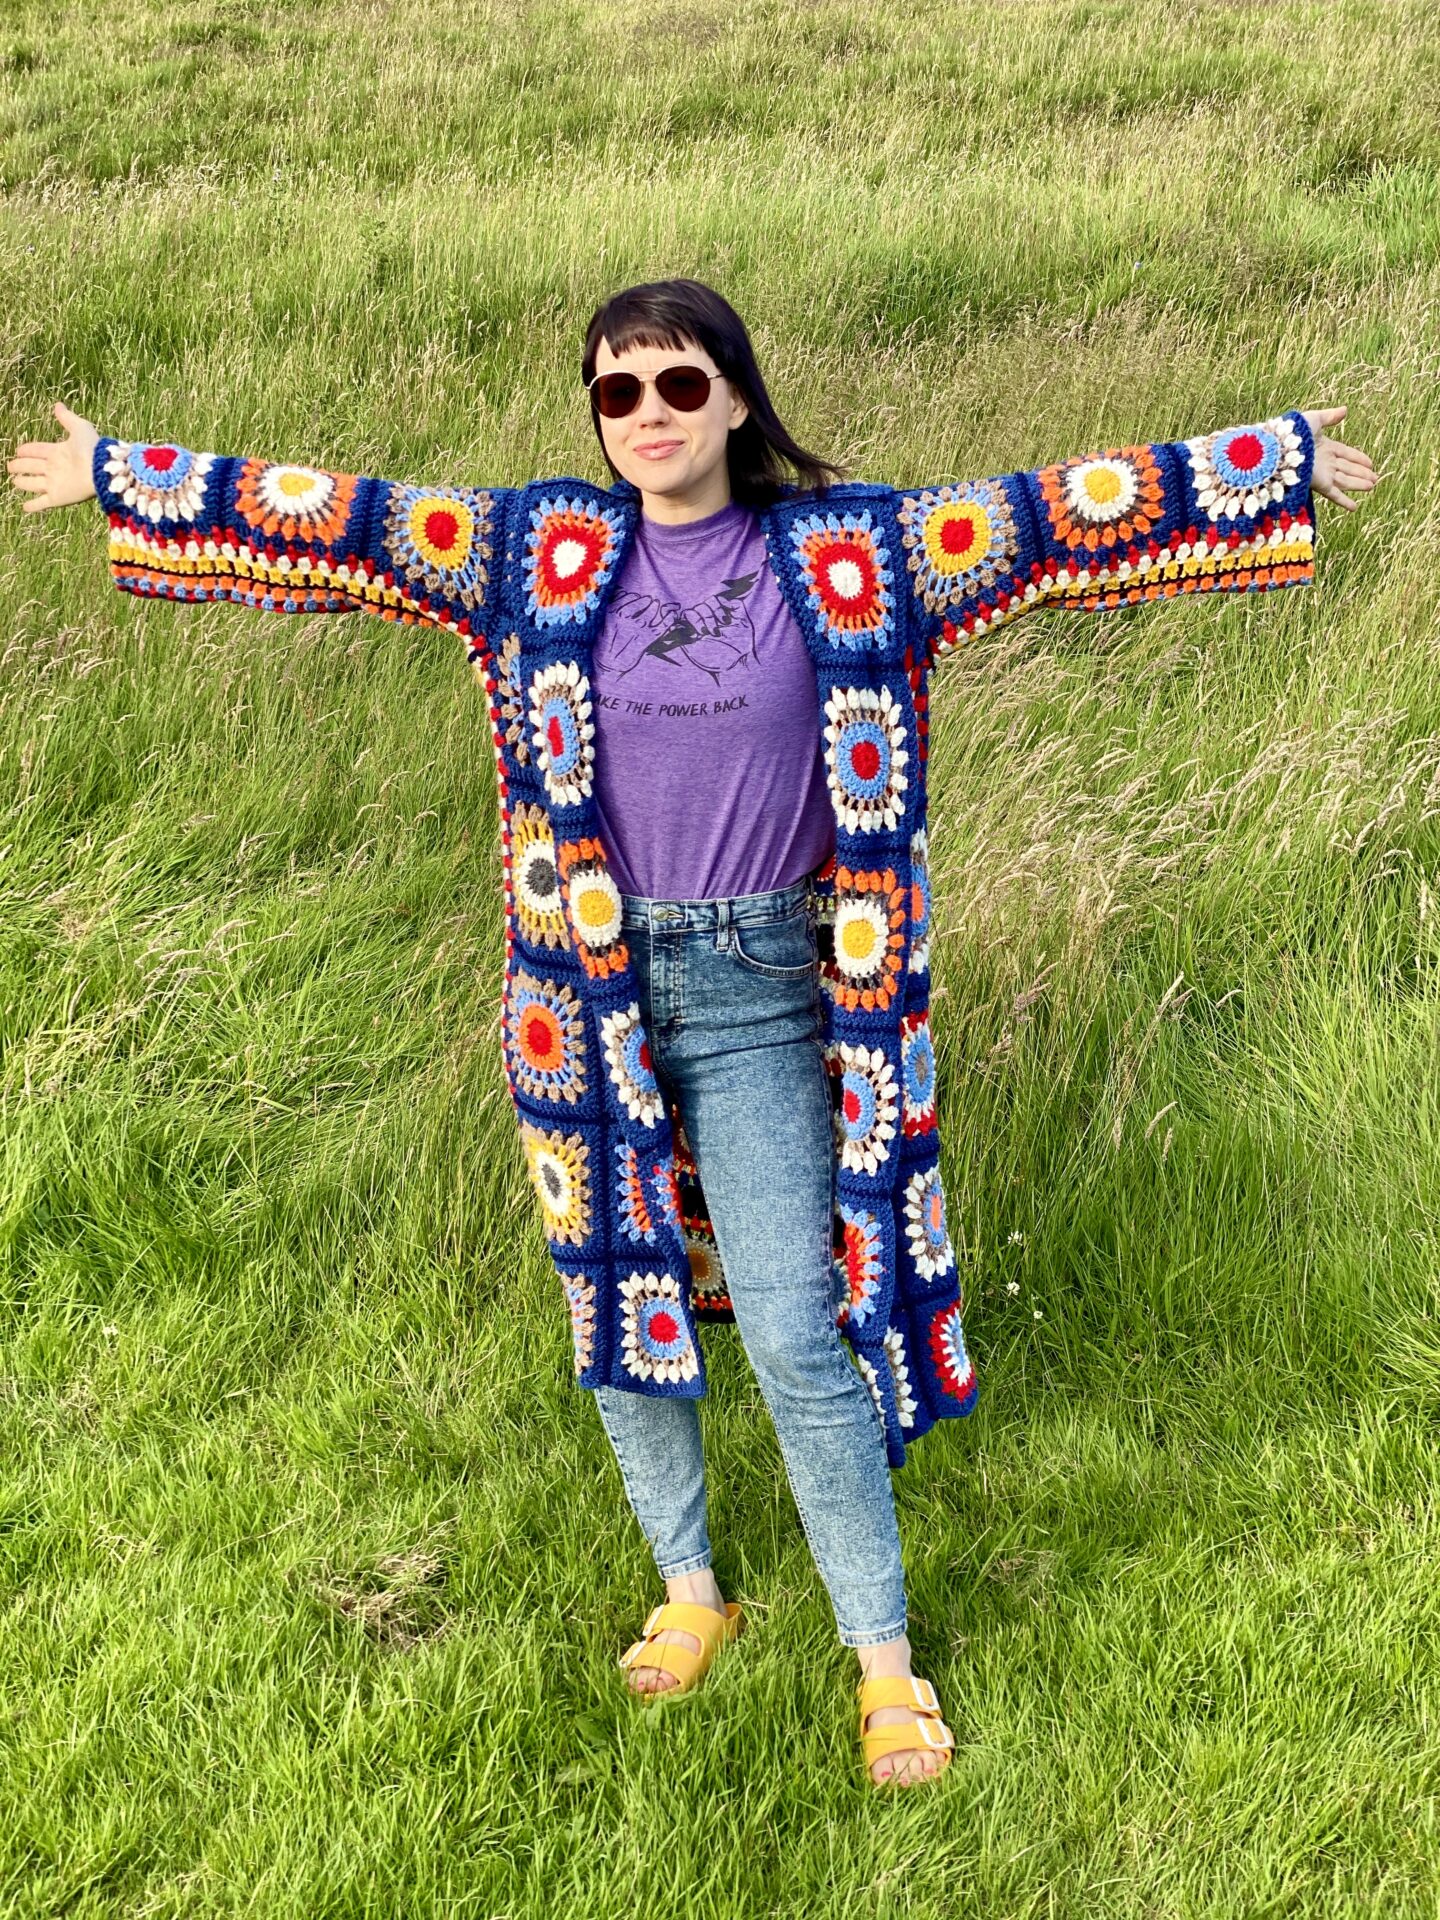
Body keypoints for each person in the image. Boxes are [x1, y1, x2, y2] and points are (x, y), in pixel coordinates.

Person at [5, 278, 1379, 1788]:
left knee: (795, 1328)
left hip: (771, 993)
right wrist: (124, 470)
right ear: (596, 418)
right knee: (618, 1307)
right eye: (618, 393)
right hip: (583, 995)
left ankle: (884, 1661)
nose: (649, 415)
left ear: (734, 398)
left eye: (678, 384)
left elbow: (1058, 516)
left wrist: (1264, 459)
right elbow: (341, 522)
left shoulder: (854, 552)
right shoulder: (539, 556)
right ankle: (692, 1591)